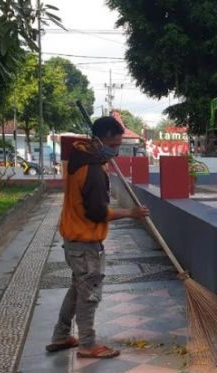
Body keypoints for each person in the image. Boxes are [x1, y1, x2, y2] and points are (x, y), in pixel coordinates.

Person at [46, 116, 150, 358]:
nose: (116, 150)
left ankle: (61, 335)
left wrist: (102, 158)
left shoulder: (81, 156)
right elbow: (97, 212)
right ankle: (87, 344)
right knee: (89, 294)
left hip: (74, 239)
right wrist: (130, 213)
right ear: (99, 140)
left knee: (77, 289)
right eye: (113, 145)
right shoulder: (92, 169)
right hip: (84, 242)